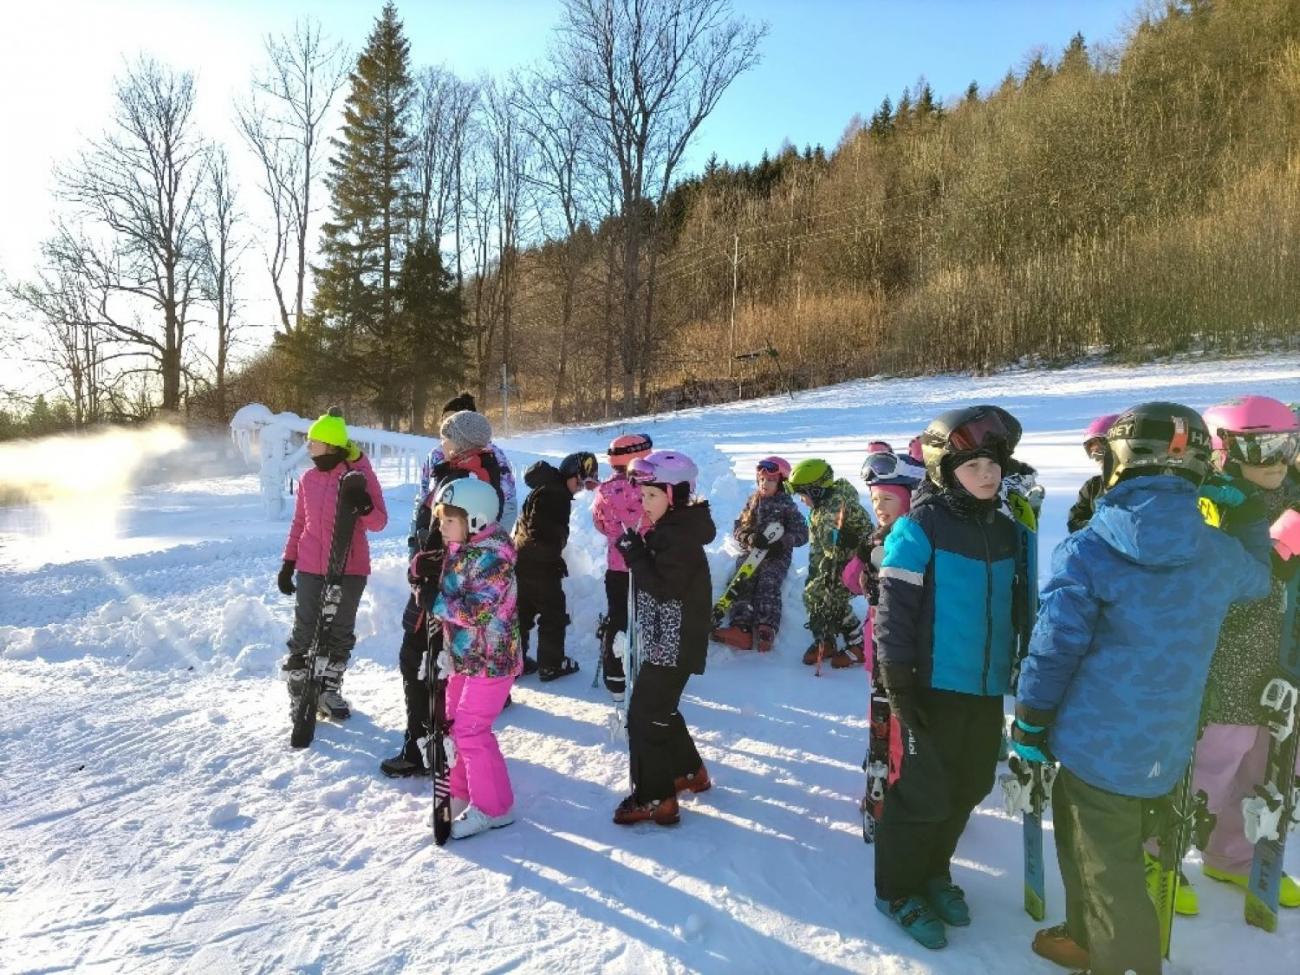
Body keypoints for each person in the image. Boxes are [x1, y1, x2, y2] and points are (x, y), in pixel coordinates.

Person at [1012, 402, 1277, 975]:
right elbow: (1261, 581)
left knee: (1103, 866)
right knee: (1110, 856)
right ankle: (1086, 938)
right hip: (1169, 743)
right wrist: (1249, 514)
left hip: (1093, 749)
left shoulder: (1089, 550)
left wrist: (1031, 719)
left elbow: (1054, 646)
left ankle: (1122, 960)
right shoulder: (1216, 551)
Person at [871, 406, 1022, 949]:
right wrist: (898, 678)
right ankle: (897, 889)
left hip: (984, 688)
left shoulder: (1009, 531)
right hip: (931, 684)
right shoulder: (920, 527)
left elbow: (1020, 606)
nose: (988, 474)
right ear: (943, 470)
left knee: (970, 784)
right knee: (923, 793)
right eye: (973, 464)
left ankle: (935, 870)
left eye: (993, 463)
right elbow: (895, 609)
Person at [1186, 396, 1300, 909]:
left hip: (1285, 660)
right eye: (1260, 449)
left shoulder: (1294, 498)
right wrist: (1277, 545)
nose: (1275, 461)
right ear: (1224, 451)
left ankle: (1232, 856)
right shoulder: (1212, 505)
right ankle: (1155, 852)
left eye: (1284, 446)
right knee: (1210, 765)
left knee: (1266, 766)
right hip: (1229, 660)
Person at [382, 410, 513, 777]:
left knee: (420, 660)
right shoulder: (474, 471)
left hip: (442, 588)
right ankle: (435, 741)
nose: (442, 443)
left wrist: (428, 573)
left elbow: (453, 539)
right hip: (438, 581)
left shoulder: (465, 479)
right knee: (426, 661)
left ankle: (425, 744)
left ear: (462, 442)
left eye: (446, 437)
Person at [612, 450, 716, 825]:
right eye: (643, 496)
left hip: (674, 644)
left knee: (644, 716)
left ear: (676, 495)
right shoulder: (673, 530)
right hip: (667, 641)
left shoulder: (679, 538)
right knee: (660, 711)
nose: (645, 504)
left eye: (652, 496)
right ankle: (689, 772)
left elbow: (664, 589)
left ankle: (656, 797)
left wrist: (636, 557)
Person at [426, 476, 523, 839]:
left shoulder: (493, 557)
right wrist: (424, 576)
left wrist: (433, 602)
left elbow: (475, 611)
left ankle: (495, 808)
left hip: (492, 658)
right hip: (466, 655)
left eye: (448, 519)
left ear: (476, 519)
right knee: (452, 721)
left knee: (471, 729)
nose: (441, 526)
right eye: (440, 519)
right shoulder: (461, 547)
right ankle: (463, 791)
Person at [278, 408, 388, 720]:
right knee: (305, 630)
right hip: (311, 566)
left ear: (329, 444)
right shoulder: (308, 479)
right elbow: (299, 523)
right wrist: (289, 562)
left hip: (350, 568)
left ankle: (328, 689)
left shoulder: (357, 477)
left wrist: (363, 504)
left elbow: (379, 521)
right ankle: (299, 693)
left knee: (340, 631)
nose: (308, 446)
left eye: (313, 440)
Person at [513, 451, 599, 681]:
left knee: (522, 612)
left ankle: (514, 662)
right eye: (580, 482)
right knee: (553, 614)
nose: (580, 488)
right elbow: (541, 532)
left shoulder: (546, 489)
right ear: (573, 473)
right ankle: (551, 665)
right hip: (540, 565)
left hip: (522, 562)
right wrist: (551, 557)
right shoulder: (555, 495)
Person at [711, 456, 809, 652]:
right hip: (752, 553)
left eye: (771, 480)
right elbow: (738, 527)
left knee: (768, 582)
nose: (765, 484)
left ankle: (766, 628)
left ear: (781, 483)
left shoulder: (787, 505)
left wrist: (781, 544)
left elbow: (802, 534)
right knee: (742, 582)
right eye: (762, 479)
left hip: (776, 556)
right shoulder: (753, 500)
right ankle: (741, 628)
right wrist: (749, 537)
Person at [787, 458, 873, 668]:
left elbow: (838, 539)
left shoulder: (835, 507)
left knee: (830, 598)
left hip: (851, 565)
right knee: (813, 594)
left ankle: (859, 644)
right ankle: (825, 639)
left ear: (816, 491)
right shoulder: (822, 504)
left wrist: (842, 544)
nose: (801, 499)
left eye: (803, 494)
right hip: (829, 563)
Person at [409, 396, 516, 557]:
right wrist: (415, 539)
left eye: (453, 420)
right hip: (438, 543)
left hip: (471, 552)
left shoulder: (492, 459)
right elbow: (424, 498)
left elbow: (507, 504)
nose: (444, 433)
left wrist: (491, 546)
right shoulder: (437, 455)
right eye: (444, 420)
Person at [592, 433, 654, 701]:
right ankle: (649, 669)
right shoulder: (647, 488)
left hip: (617, 568)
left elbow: (600, 523)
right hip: (646, 565)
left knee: (618, 616)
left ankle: (614, 675)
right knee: (648, 615)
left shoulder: (604, 491)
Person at [1067, 413, 1118, 533]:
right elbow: (1075, 522)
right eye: (1093, 453)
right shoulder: (1092, 487)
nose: (1096, 458)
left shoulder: (1143, 483)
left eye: (1100, 452)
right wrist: (1096, 526)